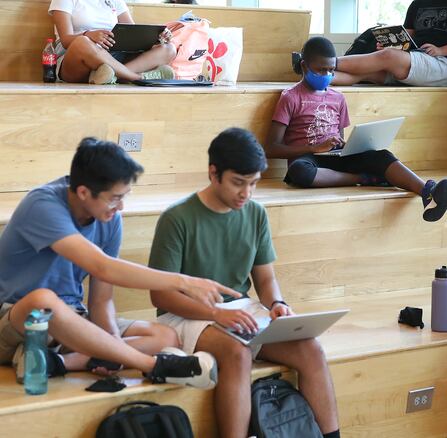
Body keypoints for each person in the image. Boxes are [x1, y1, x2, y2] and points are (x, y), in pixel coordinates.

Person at [0, 137, 241, 387]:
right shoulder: (42, 204)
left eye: (124, 196)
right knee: (43, 301)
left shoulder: (108, 217)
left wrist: (112, 345)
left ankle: (55, 361)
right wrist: (183, 281)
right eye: (114, 198)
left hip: (72, 319)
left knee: (164, 336)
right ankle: (153, 366)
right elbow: (101, 266)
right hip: (15, 318)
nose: (120, 206)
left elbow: (101, 300)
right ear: (83, 192)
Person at [148, 128, 341, 438]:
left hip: (240, 312)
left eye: (253, 184)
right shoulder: (177, 218)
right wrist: (215, 314)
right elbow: (160, 296)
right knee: (237, 353)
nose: (246, 193)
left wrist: (277, 304)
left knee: (311, 349)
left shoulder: (255, 213)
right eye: (238, 183)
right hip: (186, 315)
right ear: (214, 173)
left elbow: (265, 279)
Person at [267, 36, 447, 222]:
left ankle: (428, 191)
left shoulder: (338, 98)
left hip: (334, 158)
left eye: (331, 70)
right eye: (321, 70)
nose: (326, 75)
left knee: (381, 155)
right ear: (304, 66)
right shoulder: (290, 97)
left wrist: (345, 145)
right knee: (299, 171)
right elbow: (272, 148)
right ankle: (364, 178)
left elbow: (339, 139)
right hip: (308, 159)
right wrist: (313, 148)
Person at [328, 0, 447, 87]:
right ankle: (311, 74)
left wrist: (440, 51)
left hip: (443, 65)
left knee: (388, 56)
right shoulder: (417, 4)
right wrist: (390, 46)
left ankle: (324, 62)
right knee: (364, 73)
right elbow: (406, 39)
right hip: (411, 62)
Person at [49, 0, 179, 84]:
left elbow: (133, 33)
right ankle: (137, 78)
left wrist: (157, 36)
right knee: (82, 41)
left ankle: (109, 76)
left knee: (169, 48)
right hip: (76, 59)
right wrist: (89, 35)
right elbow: (66, 40)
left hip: (113, 55)